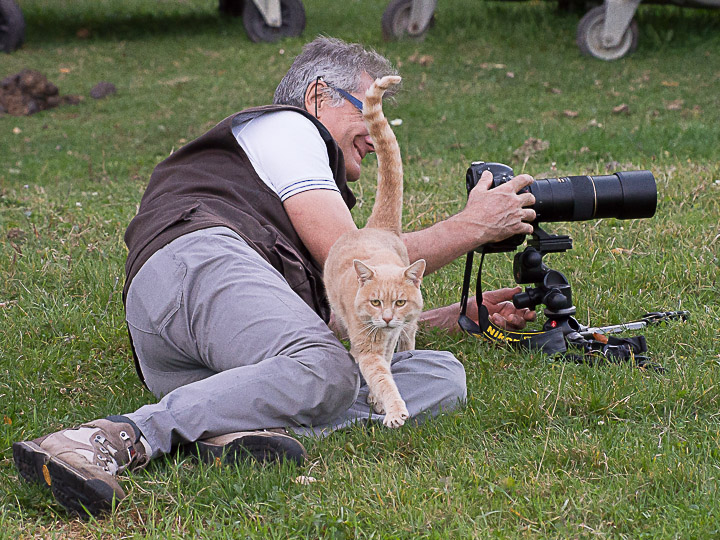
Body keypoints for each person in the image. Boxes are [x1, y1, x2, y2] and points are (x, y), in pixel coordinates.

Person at [12, 36, 536, 517]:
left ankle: (226, 426)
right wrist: (471, 227)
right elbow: (348, 255)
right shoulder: (289, 127)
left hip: (210, 359)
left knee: (441, 376)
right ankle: (113, 438)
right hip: (195, 265)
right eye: (366, 111)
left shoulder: (296, 184)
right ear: (317, 95)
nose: (377, 140)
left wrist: (448, 318)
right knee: (326, 372)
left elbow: (336, 324)